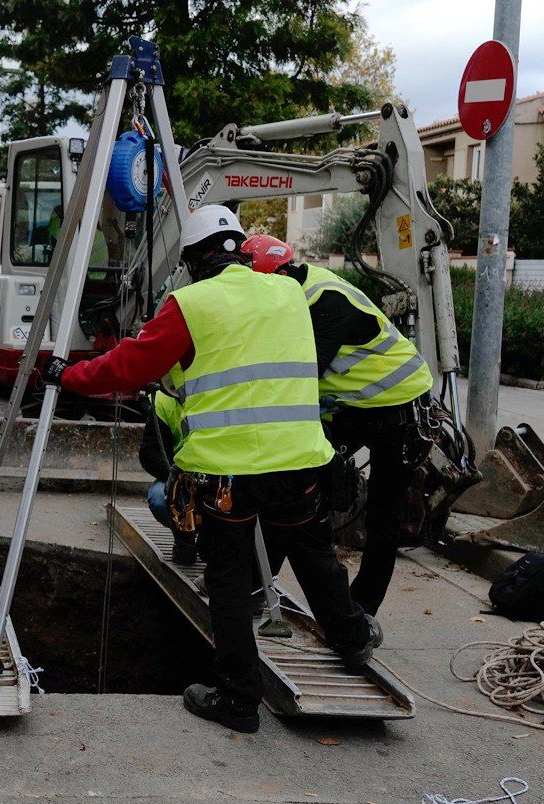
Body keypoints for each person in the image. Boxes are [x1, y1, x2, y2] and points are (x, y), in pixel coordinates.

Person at [43, 204, 380, 734]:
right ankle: (353, 639)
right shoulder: (291, 292)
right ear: (240, 249)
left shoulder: (191, 304)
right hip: (300, 461)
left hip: (230, 472)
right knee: (315, 557)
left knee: (227, 578)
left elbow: (129, 366)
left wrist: (68, 377)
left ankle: (238, 700)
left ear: (194, 260)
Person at [241, 234, 434, 616]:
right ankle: (256, 585)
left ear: (279, 275)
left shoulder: (326, 303)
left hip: (397, 407)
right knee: (292, 483)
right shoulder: (294, 293)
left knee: (383, 514)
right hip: (353, 405)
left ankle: (362, 609)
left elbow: (300, 375)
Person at [139, 389, 198, 566]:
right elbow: (149, 453)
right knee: (158, 498)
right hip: (178, 473)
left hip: (215, 472)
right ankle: (184, 539)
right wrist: (177, 477)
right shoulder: (163, 402)